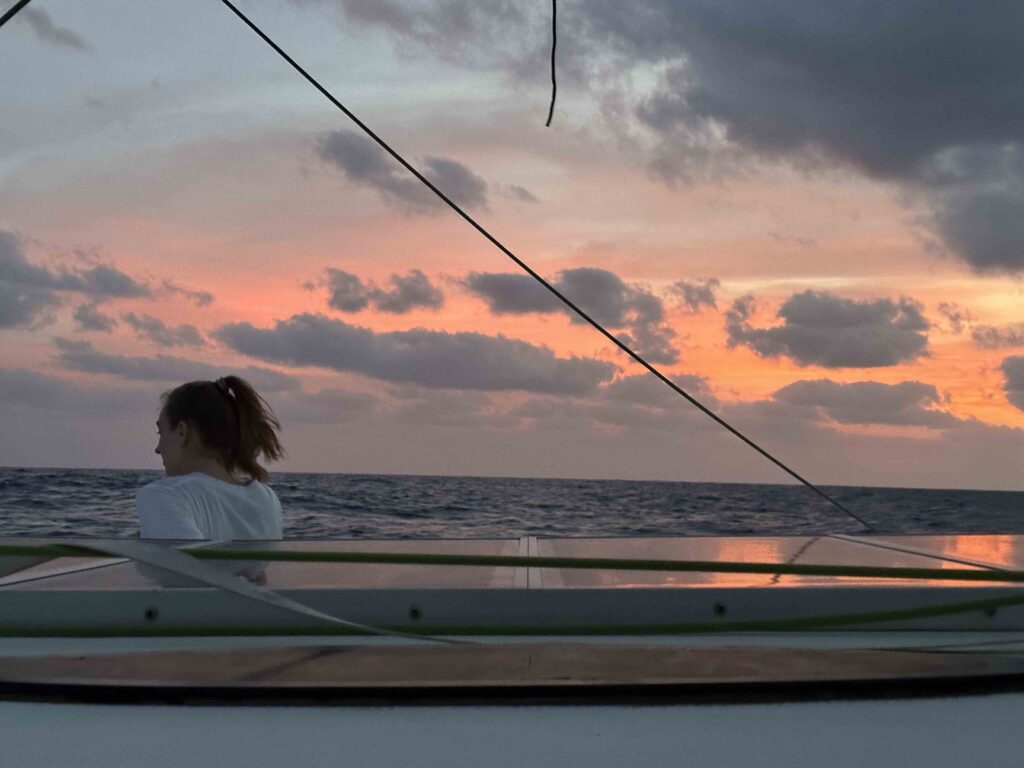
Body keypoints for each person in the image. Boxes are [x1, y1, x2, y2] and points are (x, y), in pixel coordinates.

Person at [137, 376, 285, 541]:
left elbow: (185, 557)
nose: (157, 449)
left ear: (181, 432)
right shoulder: (267, 499)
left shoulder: (164, 496)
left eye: (161, 432)